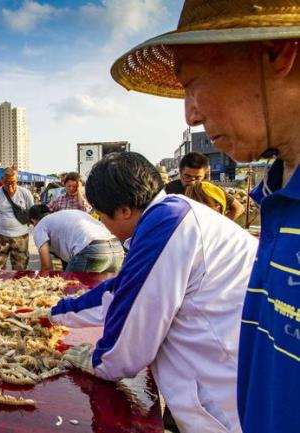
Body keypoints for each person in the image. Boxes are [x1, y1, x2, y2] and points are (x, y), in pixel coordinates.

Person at [110, 2, 300, 431]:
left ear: (277, 52)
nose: (191, 113)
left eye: (193, 84)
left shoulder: (173, 217)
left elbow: (128, 343)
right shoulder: (278, 198)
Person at [47, 152, 257, 433]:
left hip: (227, 397)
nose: (102, 224)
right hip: (231, 373)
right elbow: (123, 289)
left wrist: (99, 360)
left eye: (101, 215)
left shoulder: (166, 226)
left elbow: (131, 336)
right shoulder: (170, 212)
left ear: (123, 211)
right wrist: (55, 313)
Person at [28, 204, 123, 273]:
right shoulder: (64, 215)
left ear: (32, 220)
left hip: (92, 250)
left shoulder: (40, 226)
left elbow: (47, 266)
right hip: (117, 249)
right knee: (102, 293)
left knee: (69, 291)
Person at [165, 152, 244, 221]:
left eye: (197, 178)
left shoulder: (211, 190)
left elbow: (238, 208)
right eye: (187, 177)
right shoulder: (168, 190)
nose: (192, 182)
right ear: (180, 172)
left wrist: (220, 226)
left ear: (204, 175)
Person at [0, 167, 34, 270]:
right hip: (0, 237)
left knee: (20, 271)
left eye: (13, 182)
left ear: (17, 181)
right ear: (2, 180)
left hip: (21, 237)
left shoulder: (26, 193)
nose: (10, 185)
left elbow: (33, 214)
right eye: (6, 182)